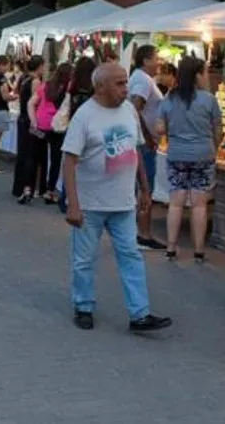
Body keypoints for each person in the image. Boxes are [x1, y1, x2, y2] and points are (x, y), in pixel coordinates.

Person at [63, 62, 172, 333]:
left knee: (131, 255)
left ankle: (140, 314)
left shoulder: (128, 111)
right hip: (91, 203)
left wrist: (146, 190)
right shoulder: (85, 116)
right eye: (119, 83)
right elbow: (69, 160)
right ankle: (84, 305)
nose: (126, 88)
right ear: (100, 87)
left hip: (123, 202)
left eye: (126, 82)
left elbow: (134, 152)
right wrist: (73, 205)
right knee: (84, 259)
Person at [155, 57, 222, 263]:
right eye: (204, 72)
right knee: (199, 205)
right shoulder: (209, 100)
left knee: (176, 203)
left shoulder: (169, 99)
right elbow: (217, 130)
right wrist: (214, 146)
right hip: (203, 154)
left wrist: (172, 131)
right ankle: (199, 251)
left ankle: (171, 248)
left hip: (176, 154)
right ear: (197, 75)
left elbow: (159, 129)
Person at [127, 45, 167, 251]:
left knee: (141, 186)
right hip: (144, 143)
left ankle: (138, 230)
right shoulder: (143, 80)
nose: (159, 62)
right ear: (145, 60)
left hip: (143, 141)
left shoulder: (141, 78)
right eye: (156, 58)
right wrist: (147, 136)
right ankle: (143, 233)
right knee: (145, 187)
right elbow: (135, 108)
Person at [32, 62, 73, 204]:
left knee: (38, 157)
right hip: (57, 127)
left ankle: (35, 187)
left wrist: (33, 120)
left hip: (41, 125)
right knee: (56, 159)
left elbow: (31, 103)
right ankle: (50, 190)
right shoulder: (68, 88)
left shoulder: (45, 86)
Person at [14, 56, 48, 203]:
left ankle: (21, 186)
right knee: (33, 153)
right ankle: (31, 186)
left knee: (24, 152)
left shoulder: (23, 78)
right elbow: (35, 102)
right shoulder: (36, 81)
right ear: (40, 66)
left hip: (22, 119)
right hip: (31, 122)